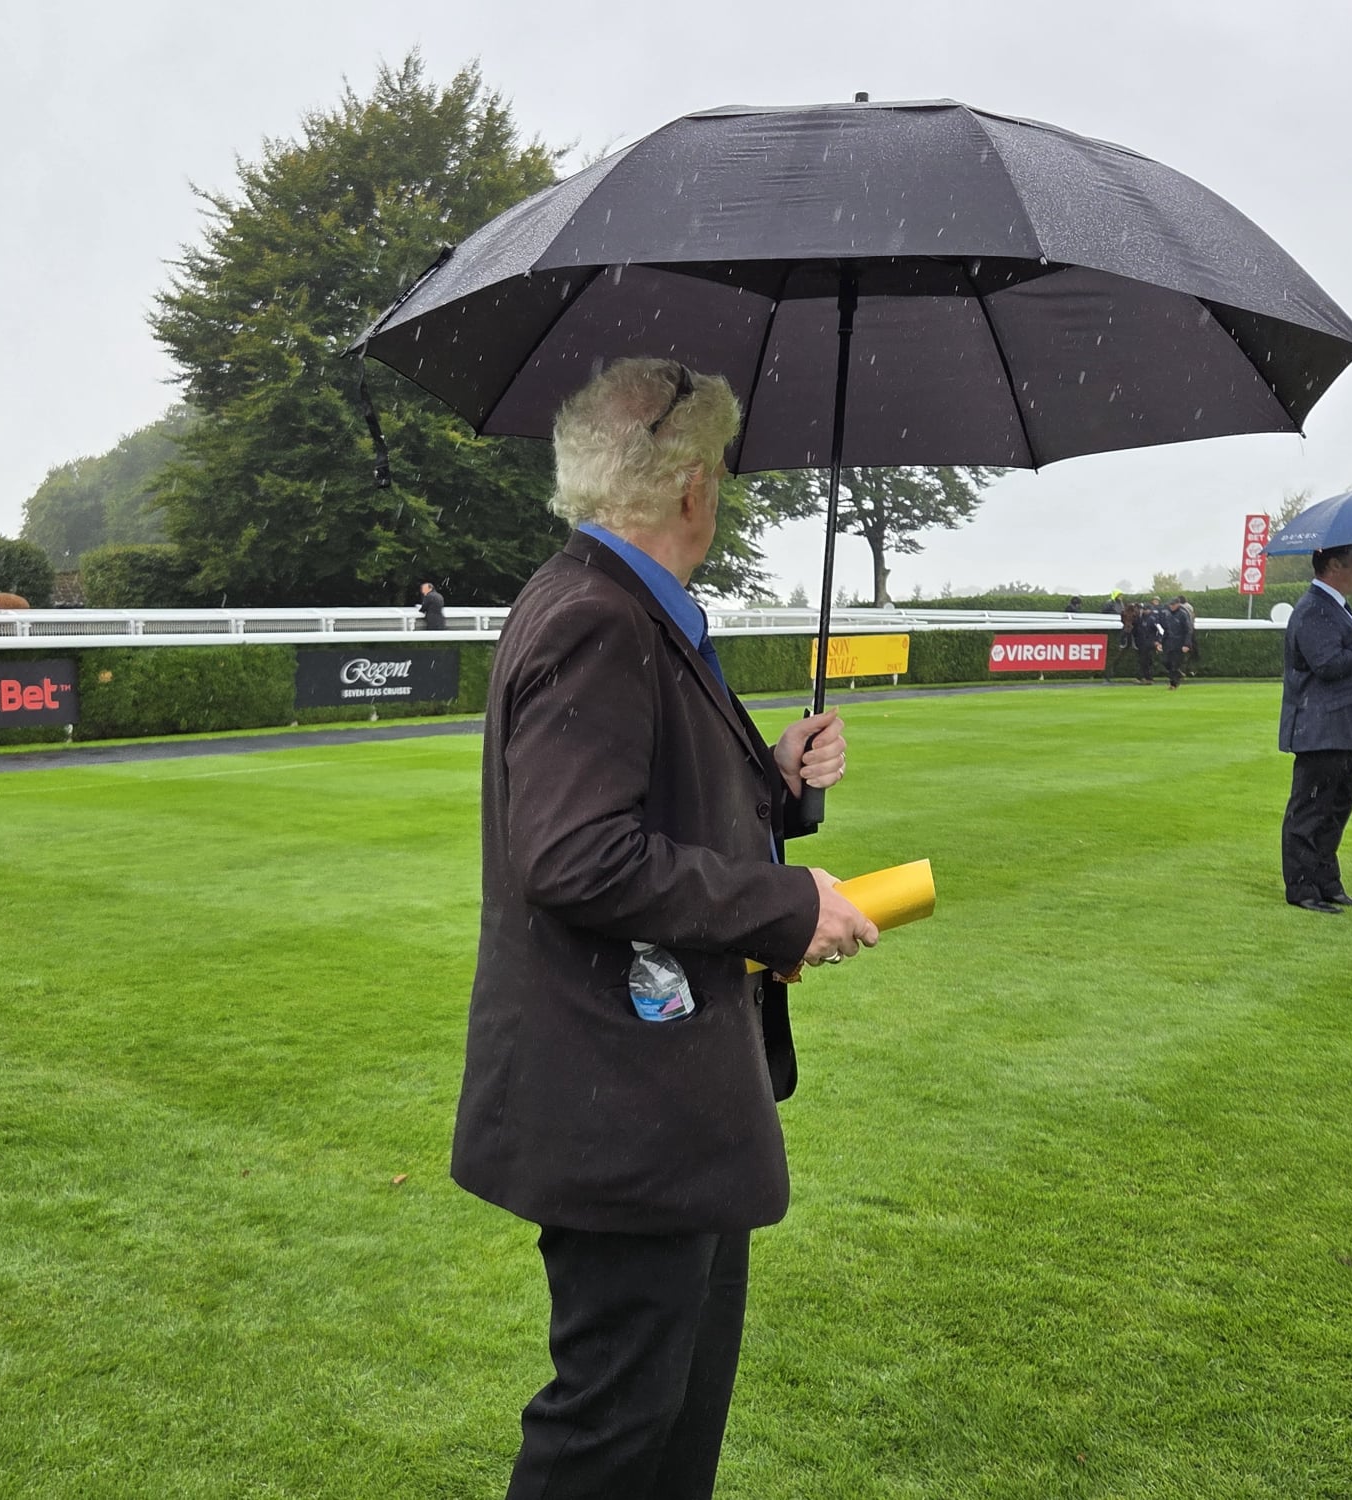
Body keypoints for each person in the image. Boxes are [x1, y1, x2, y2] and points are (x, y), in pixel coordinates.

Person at [452, 357, 878, 1499]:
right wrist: (786, 905)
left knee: (668, 1425)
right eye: (723, 469)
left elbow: (644, 806)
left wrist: (778, 784)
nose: (724, 493)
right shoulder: (601, 616)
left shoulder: (614, 602)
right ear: (690, 485)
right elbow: (574, 854)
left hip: (660, 1102)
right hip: (624, 1104)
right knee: (615, 1433)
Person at [1278, 544, 1352, 913]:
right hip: (1322, 730)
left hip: (1344, 730)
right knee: (1310, 813)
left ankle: (1328, 884)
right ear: (1332, 566)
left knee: (1334, 813)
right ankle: (1303, 889)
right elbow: (1327, 665)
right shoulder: (1314, 609)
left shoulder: (1335, 607)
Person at [1159, 594, 1194, 689]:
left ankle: (1173, 684)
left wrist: (1187, 644)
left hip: (1179, 643)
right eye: (1170, 605)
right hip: (1169, 642)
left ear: (1178, 604)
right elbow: (1166, 629)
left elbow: (1188, 630)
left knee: (1174, 664)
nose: (1171, 606)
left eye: (1173, 604)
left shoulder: (1183, 614)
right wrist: (1161, 642)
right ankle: (1178, 673)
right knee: (1166, 662)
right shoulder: (1168, 614)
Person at [1133, 597, 1163, 684]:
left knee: (1146, 660)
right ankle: (1144, 677)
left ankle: (1148, 678)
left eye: (1145, 609)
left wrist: (1158, 641)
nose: (1144, 611)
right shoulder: (1140, 619)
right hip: (1142, 643)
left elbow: (1160, 631)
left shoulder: (1153, 619)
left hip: (1150, 642)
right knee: (1143, 660)